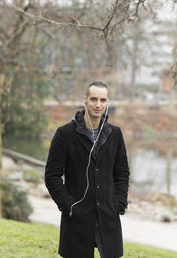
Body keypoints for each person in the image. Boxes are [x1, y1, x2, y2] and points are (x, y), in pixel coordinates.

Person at [45, 81, 130, 258]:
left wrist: (119, 203)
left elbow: (121, 173)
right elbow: (52, 176)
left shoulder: (115, 134)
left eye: (103, 100)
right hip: (77, 216)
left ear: (107, 102)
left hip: (108, 215)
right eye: (93, 99)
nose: (98, 105)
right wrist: (68, 205)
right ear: (85, 100)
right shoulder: (65, 134)